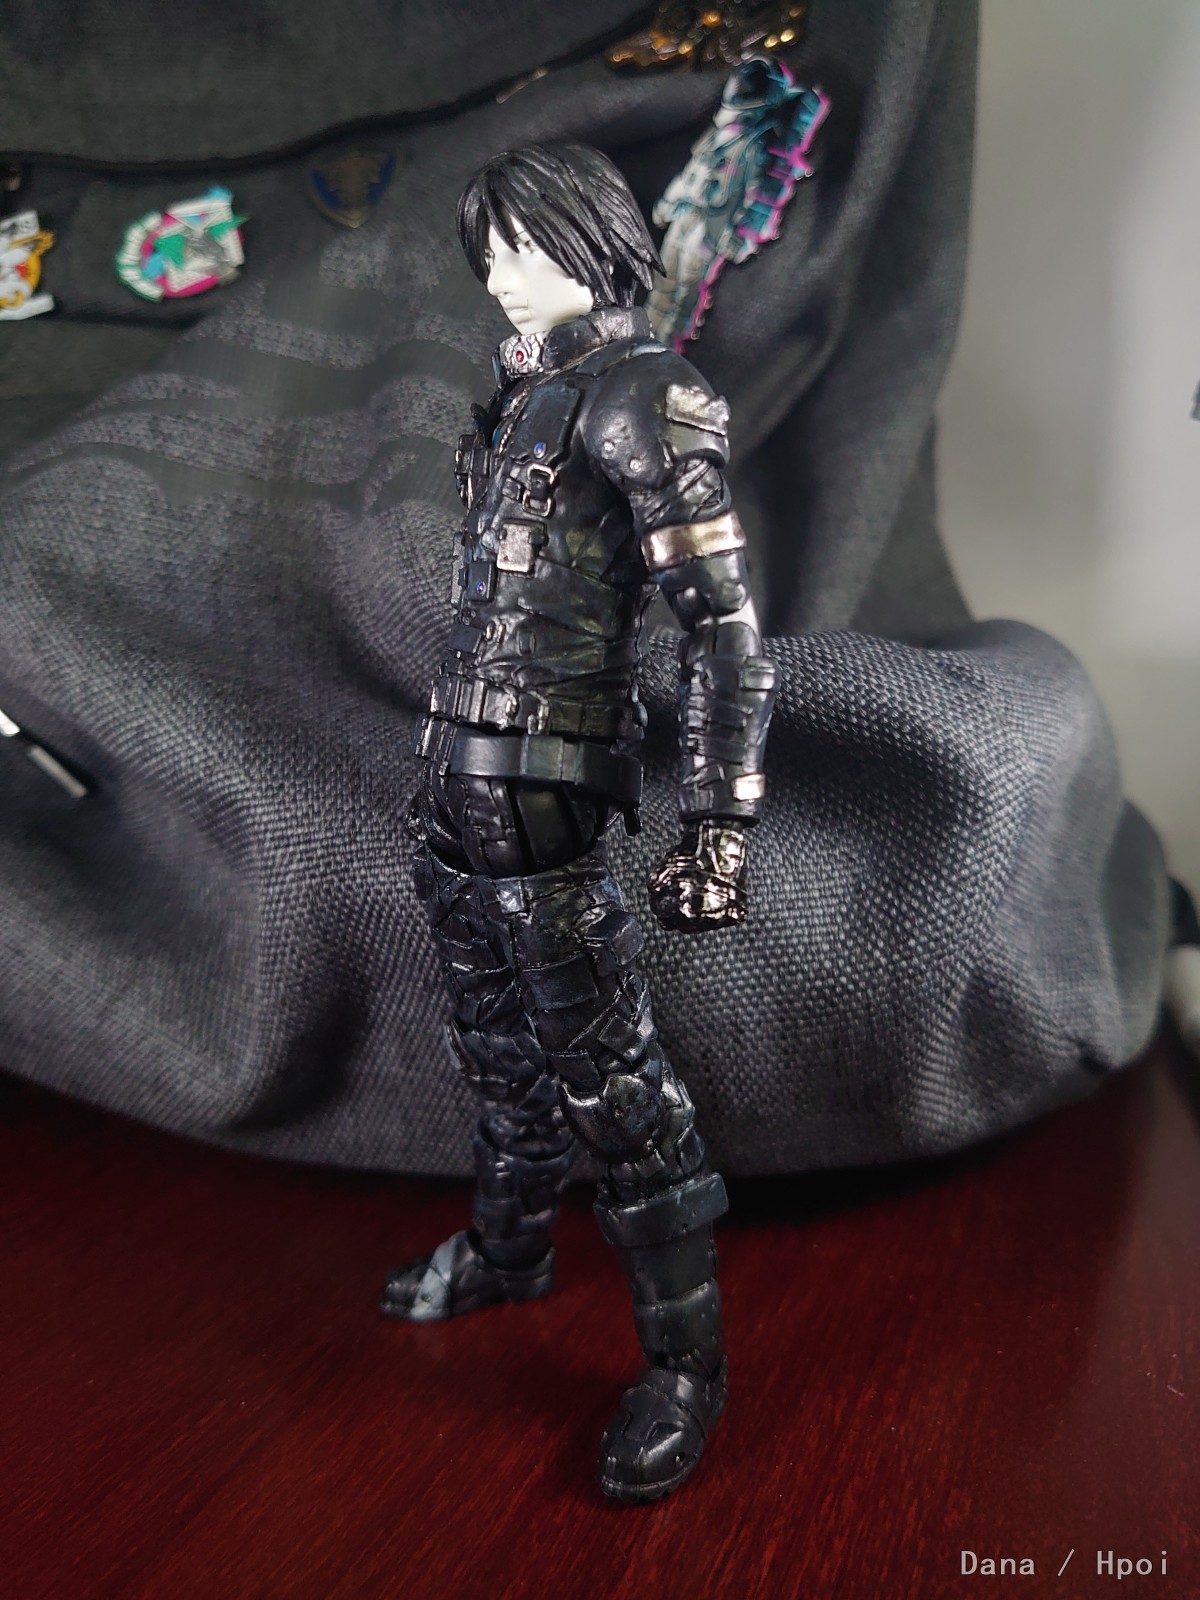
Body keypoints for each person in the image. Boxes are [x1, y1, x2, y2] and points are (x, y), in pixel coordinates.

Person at [380, 140, 777, 1504]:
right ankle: (511, 1248)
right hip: (456, 785)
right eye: (486, 252)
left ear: (594, 240)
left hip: (548, 797)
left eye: (525, 246)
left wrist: (718, 824)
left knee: (617, 1088)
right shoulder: (519, 399)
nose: (500, 275)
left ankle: (685, 1369)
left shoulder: (644, 394)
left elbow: (724, 632)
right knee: (497, 1056)